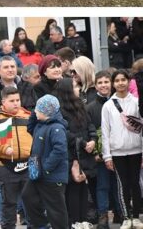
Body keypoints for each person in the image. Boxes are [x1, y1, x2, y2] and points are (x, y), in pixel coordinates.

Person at [0, 86, 33, 229]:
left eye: (18, 100)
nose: (16, 103)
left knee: (31, 200)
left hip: (27, 165)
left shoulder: (27, 116)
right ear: (3, 102)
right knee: (8, 203)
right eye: (12, 101)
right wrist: (3, 147)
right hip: (6, 166)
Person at [101, 69, 143, 228]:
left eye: (123, 80)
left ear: (128, 81)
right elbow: (105, 131)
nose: (120, 83)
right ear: (113, 83)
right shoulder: (108, 106)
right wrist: (107, 155)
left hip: (136, 150)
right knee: (122, 184)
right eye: (117, 80)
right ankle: (126, 217)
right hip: (117, 152)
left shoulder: (136, 102)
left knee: (135, 183)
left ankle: (136, 216)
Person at [21, 95, 70, 229]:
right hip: (37, 174)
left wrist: (47, 167)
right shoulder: (39, 125)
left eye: (38, 109)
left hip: (52, 176)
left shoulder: (56, 128)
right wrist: (34, 111)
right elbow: (29, 127)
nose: (34, 112)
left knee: (56, 209)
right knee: (27, 196)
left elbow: (60, 150)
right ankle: (42, 224)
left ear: (46, 112)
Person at [55, 77, 97, 227]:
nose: (78, 88)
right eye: (75, 86)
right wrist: (83, 143)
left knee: (83, 187)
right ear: (68, 90)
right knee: (73, 189)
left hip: (85, 153)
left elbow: (89, 124)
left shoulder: (80, 105)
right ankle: (74, 222)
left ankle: (83, 220)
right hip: (71, 155)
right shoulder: (59, 110)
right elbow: (64, 133)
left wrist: (93, 139)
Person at [88, 70, 121, 229]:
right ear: (95, 86)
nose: (103, 85)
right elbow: (89, 131)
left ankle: (120, 212)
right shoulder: (91, 107)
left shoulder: (118, 103)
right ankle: (103, 216)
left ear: (112, 84)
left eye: (106, 82)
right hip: (100, 155)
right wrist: (95, 152)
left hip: (119, 152)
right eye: (100, 83)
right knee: (102, 185)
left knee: (118, 184)